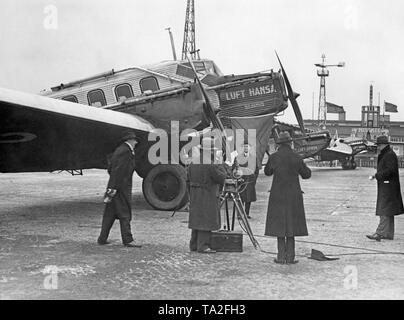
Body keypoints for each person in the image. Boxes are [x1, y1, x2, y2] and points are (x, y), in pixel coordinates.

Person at [264, 131, 311, 264]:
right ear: (290, 143)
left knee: (280, 224)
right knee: (292, 224)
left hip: (277, 195)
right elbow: (307, 174)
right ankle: (290, 257)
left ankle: (280, 256)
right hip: (293, 195)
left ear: (279, 144)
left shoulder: (274, 157)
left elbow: (267, 172)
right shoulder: (297, 157)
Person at [98, 131, 141, 248]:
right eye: (135, 141)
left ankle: (102, 238)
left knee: (109, 214)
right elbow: (118, 171)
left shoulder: (120, 150)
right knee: (125, 213)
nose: (136, 143)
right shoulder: (125, 152)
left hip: (114, 187)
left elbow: (111, 169)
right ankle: (128, 240)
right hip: (120, 188)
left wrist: (111, 188)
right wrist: (115, 188)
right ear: (131, 140)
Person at [187, 138, 228, 253]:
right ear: (210, 151)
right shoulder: (211, 164)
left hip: (195, 195)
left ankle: (194, 244)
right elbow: (221, 178)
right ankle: (203, 246)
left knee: (197, 219)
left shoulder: (193, 162)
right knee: (206, 220)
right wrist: (222, 165)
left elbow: (187, 178)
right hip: (208, 194)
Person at [367, 135, 404, 241]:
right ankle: (388, 234)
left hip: (388, 186)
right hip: (388, 186)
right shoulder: (388, 154)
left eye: (378, 145)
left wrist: (378, 175)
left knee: (384, 209)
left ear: (383, 145)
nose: (378, 147)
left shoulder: (388, 155)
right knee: (389, 210)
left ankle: (379, 233)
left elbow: (390, 170)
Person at [238, 143, 259, 219]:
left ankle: (246, 213)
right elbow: (235, 168)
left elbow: (256, 170)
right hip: (241, 180)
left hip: (250, 180)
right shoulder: (238, 157)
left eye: (247, 146)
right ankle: (240, 214)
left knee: (248, 198)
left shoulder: (253, 158)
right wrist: (237, 178)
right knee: (240, 197)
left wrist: (254, 179)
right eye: (244, 146)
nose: (246, 148)